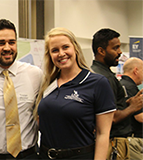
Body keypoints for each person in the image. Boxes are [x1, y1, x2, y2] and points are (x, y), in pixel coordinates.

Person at [36, 27, 115, 160]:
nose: (61, 53)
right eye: (55, 50)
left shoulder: (97, 83)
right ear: (49, 55)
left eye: (65, 47)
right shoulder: (47, 84)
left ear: (75, 49)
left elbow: (102, 134)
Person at [0, 19, 42, 160]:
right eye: (1, 43)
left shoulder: (35, 74)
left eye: (11, 42)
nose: (7, 48)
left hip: (28, 155)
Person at [91, 28, 143, 160]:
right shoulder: (103, 78)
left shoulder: (103, 74)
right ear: (101, 51)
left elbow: (107, 107)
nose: (120, 52)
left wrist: (127, 104)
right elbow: (110, 117)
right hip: (113, 142)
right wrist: (133, 108)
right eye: (115, 48)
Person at [119, 57, 143, 160]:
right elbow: (140, 117)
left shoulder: (120, 85)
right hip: (132, 140)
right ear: (136, 70)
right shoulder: (130, 88)